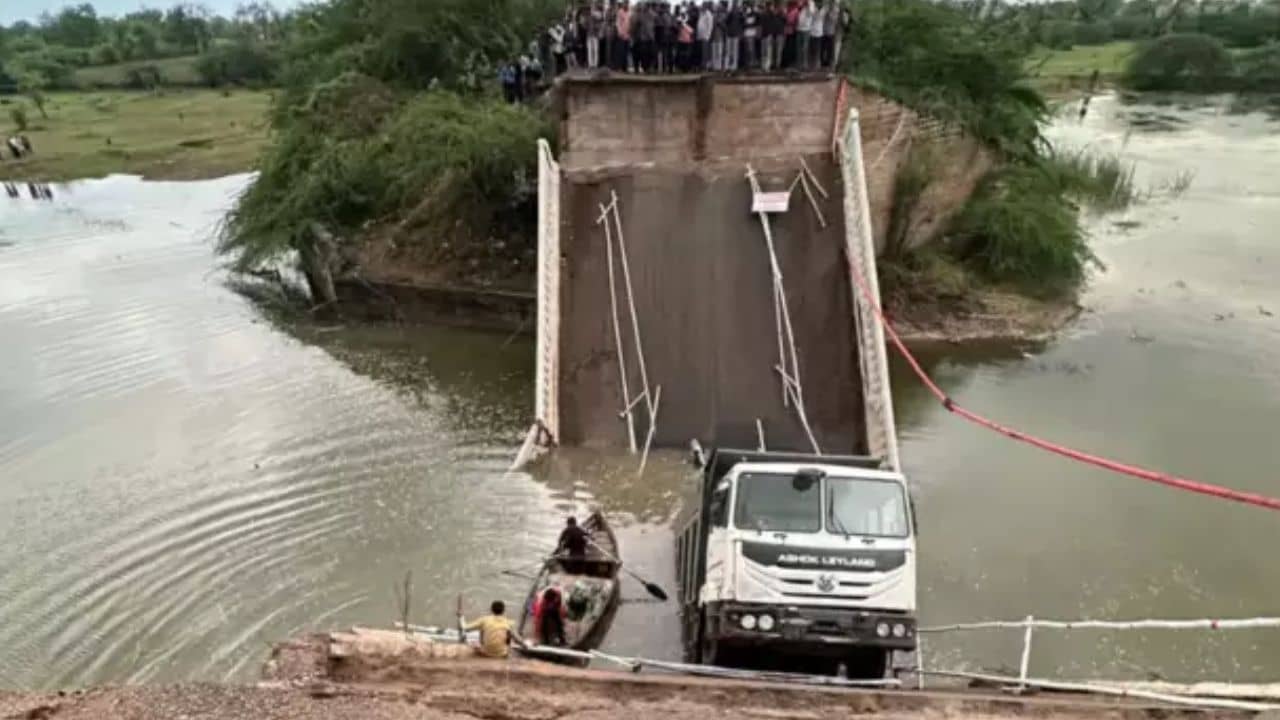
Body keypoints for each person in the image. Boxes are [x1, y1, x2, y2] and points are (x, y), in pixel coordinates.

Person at [807, 0, 825, 69]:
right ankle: (811, 63)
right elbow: (811, 13)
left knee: (818, 49)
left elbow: (820, 16)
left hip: (819, 32)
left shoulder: (823, 10)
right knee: (811, 49)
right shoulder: (813, 8)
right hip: (812, 31)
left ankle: (817, 64)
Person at [696, 1, 714, 70]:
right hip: (700, 35)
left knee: (705, 52)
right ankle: (702, 65)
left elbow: (710, 26)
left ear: (706, 6)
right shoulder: (701, 13)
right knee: (701, 52)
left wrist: (708, 35)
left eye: (703, 5)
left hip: (705, 36)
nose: (702, 7)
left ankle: (705, 66)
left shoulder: (708, 14)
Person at [742, 0, 759, 70]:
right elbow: (743, 24)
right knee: (746, 50)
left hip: (751, 33)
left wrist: (747, 23)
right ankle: (747, 64)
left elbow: (754, 23)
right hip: (746, 33)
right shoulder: (744, 13)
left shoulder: (754, 14)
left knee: (751, 49)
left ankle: (751, 63)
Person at [783, 0, 800, 68]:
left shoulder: (796, 11)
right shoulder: (786, 10)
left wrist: (791, 23)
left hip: (793, 32)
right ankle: (786, 62)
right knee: (786, 47)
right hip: (786, 32)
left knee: (791, 47)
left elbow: (797, 21)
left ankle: (791, 62)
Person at [586, 2, 604, 69]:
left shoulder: (598, 14)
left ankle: (595, 65)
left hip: (595, 35)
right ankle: (591, 65)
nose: (592, 7)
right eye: (591, 6)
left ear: (595, 7)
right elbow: (586, 25)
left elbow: (600, 18)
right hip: (589, 35)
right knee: (590, 50)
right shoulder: (588, 15)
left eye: (593, 6)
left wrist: (593, 15)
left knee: (596, 50)